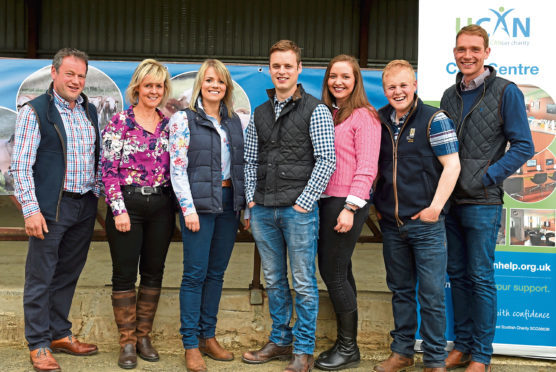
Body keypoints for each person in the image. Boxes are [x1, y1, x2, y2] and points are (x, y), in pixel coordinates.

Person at [440, 25, 534, 372]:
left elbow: (524, 144)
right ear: (454, 53)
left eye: (474, 50)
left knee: (479, 276)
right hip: (451, 202)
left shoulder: (505, 91)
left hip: (483, 201)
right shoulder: (449, 95)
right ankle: (462, 345)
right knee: (458, 275)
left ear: (487, 53)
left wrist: (488, 176)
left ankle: (481, 354)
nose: (467, 55)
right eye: (462, 49)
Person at [242, 40, 336, 372]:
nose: (281, 71)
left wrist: (303, 204)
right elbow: (250, 160)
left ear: (299, 69)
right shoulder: (259, 112)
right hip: (264, 210)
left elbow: (326, 161)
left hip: (298, 212)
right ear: (270, 69)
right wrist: (251, 201)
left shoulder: (316, 109)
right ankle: (280, 341)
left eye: (287, 66)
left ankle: (304, 350)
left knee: (303, 281)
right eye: (276, 66)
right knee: (273, 278)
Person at [10, 47, 100, 372]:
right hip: (51, 208)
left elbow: (94, 160)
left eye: (81, 76)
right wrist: (31, 210)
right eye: (70, 74)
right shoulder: (35, 111)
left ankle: (59, 333)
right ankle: (38, 343)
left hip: (84, 205)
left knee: (67, 275)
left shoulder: (88, 111)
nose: (76, 81)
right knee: (40, 277)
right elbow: (20, 167)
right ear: (54, 73)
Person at [373, 60, 461, 372]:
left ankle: (435, 360)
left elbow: (452, 166)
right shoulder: (379, 121)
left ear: (415, 86)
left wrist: (435, 208)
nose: (397, 91)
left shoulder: (433, 120)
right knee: (400, 291)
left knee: (432, 295)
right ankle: (402, 352)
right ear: (384, 90)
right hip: (392, 225)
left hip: (426, 226)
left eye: (403, 85)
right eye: (391, 87)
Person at [169, 59, 247, 372]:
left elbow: (242, 166)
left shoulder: (234, 122)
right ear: (201, 82)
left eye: (221, 82)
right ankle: (190, 344)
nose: (215, 86)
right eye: (210, 80)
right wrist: (187, 208)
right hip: (199, 204)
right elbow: (177, 167)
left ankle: (208, 336)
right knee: (194, 274)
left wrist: (243, 205)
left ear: (227, 87)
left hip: (228, 202)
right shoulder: (182, 119)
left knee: (216, 273)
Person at [101, 59, 174, 369]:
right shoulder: (119, 122)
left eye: (158, 86)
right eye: (148, 85)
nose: (153, 91)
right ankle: (127, 341)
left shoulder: (170, 124)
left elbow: (178, 168)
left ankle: (144, 336)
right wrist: (118, 209)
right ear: (137, 88)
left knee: (154, 271)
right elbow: (107, 170)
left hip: (161, 205)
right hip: (127, 205)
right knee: (124, 273)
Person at [314, 54, 381, 371]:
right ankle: (346, 343)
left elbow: (367, 167)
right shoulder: (330, 113)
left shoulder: (364, 116)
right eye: (332, 76)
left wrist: (350, 208)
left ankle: (348, 348)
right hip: (326, 201)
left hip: (345, 203)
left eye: (345, 77)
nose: (338, 82)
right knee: (340, 270)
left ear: (356, 82)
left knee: (333, 272)